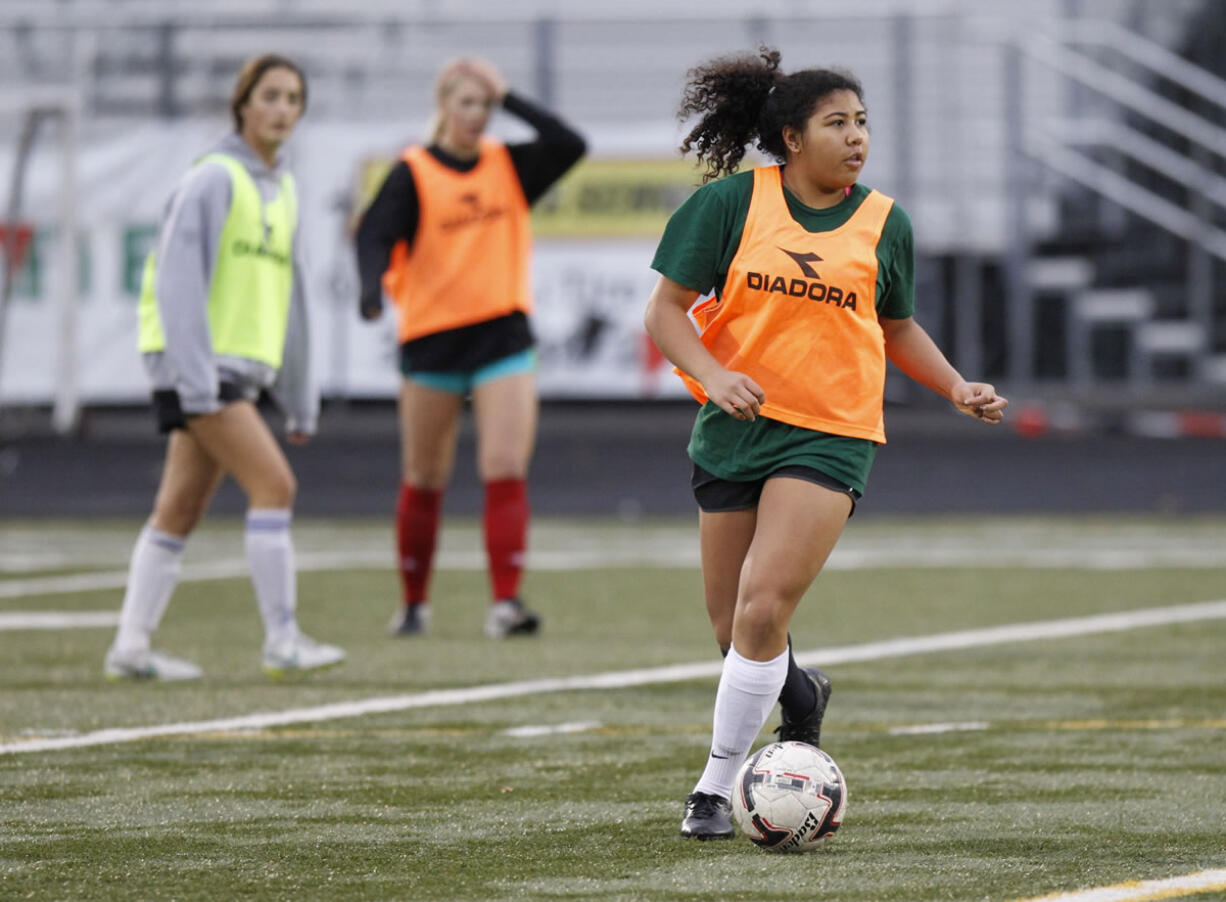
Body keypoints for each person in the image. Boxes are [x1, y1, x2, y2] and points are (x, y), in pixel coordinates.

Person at [643, 48, 1008, 839]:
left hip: (833, 434)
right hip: (735, 429)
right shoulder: (729, 206)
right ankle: (801, 696)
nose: (856, 138)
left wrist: (955, 387)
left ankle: (714, 787)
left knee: (763, 604)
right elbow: (666, 313)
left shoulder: (885, 223)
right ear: (790, 137)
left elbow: (897, 325)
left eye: (863, 123)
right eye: (836, 123)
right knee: (732, 627)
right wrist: (715, 373)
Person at [104, 54, 346, 681]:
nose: (283, 109)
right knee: (276, 486)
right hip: (200, 370)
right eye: (270, 96)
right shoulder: (212, 179)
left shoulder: (286, 189)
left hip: (236, 371)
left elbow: (291, 301)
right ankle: (283, 639)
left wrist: (298, 395)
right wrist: (192, 376)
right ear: (242, 104)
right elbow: (177, 286)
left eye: (294, 98)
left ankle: (130, 647)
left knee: (179, 508)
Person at [355, 58, 585, 639]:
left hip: (501, 335)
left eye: (485, 106)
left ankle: (505, 605)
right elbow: (374, 233)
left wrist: (507, 92)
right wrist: (370, 289)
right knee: (424, 476)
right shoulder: (413, 171)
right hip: (432, 341)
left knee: (505, 468)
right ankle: (413, 604)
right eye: (467, 104)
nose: (477, 116)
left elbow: (569, 142)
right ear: (443, 108)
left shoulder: (507, 165)